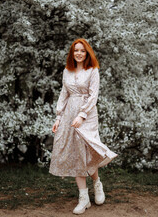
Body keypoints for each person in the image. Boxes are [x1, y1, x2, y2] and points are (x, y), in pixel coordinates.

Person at [49, 38, 118, 215]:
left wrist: (82, 115)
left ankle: (97, 183)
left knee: (87, 153)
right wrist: (58, 117)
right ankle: (83, 197)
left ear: (87, 53)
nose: (79, 53)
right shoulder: (67, 70)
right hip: (69, 115)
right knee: (75, 154)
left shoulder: (93, 71)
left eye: (82, 51)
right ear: (72, 53)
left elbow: (93, 96)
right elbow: (64, 94)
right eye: (76, 50)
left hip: (87, 115)